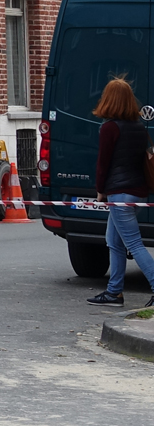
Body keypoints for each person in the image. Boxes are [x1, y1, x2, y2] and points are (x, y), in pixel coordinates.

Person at [86, 77, 154, 307]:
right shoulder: (138, 127)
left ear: (108, 100)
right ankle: (114, 292)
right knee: (114, 241)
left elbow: (103, 163)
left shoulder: (109, 128)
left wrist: (100, 190)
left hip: (118, 193)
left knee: (133, 243)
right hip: (136, 191)